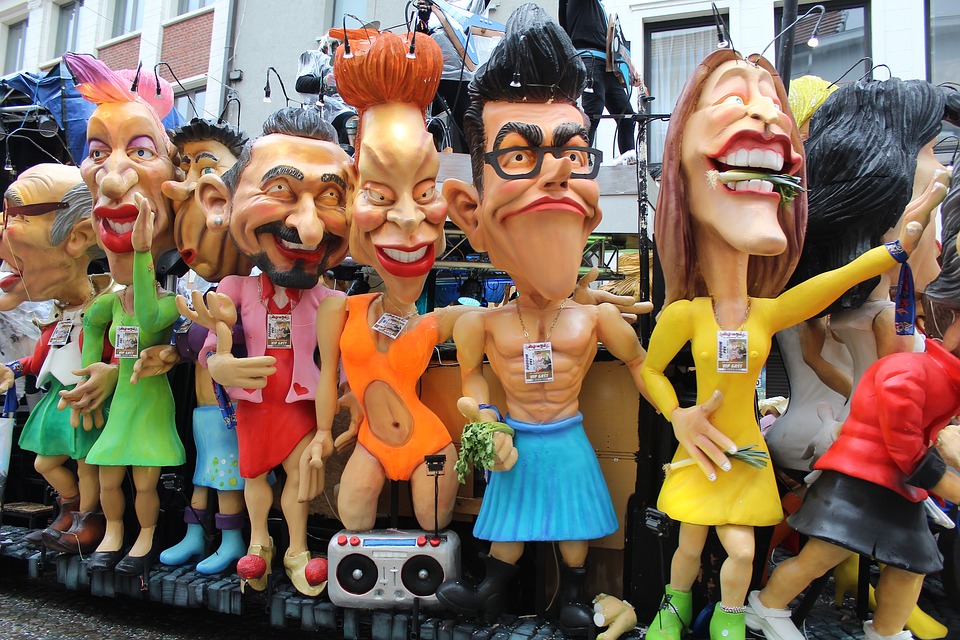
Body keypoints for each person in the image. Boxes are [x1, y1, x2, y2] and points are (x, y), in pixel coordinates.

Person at [639, 48, 948, 640]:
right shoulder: (685, 315)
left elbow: (836, 281)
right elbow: (649, 370)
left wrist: (894, 250)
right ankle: (672, 610)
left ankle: (731, 615)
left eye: (771, 101)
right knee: (688, 543)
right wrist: (677, 415)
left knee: (740, 549)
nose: (762, 114)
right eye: (735, 95)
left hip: (745, 454)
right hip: (701, 452)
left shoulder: (770, 313)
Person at [434, 6, 652, 635]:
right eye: (519, 156)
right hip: (517, 439)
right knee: (510, 526)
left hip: (568, 435)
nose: (557, 170)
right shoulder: (483, 324)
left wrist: (683, 415)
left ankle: (575, 597)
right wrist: (482, 421)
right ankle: (489, 591)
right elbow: (473, 384)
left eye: (575, 153)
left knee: (573, 525)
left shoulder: (594, 320)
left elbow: (643, 368)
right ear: (470, 214)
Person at [746, 161, 960, 640]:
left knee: (894, 557)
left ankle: (880, 621)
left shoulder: (867, 316)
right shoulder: (887, 319)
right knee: (826, 544)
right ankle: (774, 602)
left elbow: (860, 380)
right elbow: (886, 388)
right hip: (864, 452)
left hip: (859, 435)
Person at [185, 106, 351, 596]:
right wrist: (221, 363)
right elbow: (211, 347)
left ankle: (297, 548)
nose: (309, 227)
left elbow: (337, 362)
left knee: (299, 474)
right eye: (280, 189)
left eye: (331, 197)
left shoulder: (327, 299)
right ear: (223, 201)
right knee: (255, 474)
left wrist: (341, 396)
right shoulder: (235, 289)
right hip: (256, 402)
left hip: (299, 403)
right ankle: (260, 543)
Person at [60, 53, 186, 577]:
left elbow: (163, 319)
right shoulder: (110, 302)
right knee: (111, 476)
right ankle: (113, 532)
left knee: (144, 481)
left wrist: (139, 250)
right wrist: (93, 369)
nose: (112, 180)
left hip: (149, 401)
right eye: (96, 152)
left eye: (140, 150)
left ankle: (145, 539)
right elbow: (93, 325)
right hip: (123, 402)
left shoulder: (169, 297)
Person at [0, 164, 113, 555]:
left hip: (84, 400)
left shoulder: (104, 306)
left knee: (86, 463)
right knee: (44, 463)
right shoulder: (57, 314)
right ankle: (69, 509)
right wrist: (13, 369)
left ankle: (87, 520)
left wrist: (112, 373)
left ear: (79, 236)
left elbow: (121, 351)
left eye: (17, 215)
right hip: (56, 400)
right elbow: (39, 358)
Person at [155, 118, 251, 574]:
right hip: (202, 409)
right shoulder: (197, 288)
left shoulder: (250, 290)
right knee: (201, 473)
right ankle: (195, 534)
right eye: (185, 167)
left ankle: (231, 540)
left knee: (226, 475)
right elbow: (192, 342)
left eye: (205, 166)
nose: (186, 183)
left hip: (233, 409)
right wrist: (172, 350)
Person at [561, 0, 641, 156]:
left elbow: (615, 45)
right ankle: (582, 158)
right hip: (591, 61)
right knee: (593, 114)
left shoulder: (599, 8)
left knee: (626, 116)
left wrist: (631, 70)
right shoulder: (583, 4)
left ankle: (628, 159)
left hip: (608, 67)